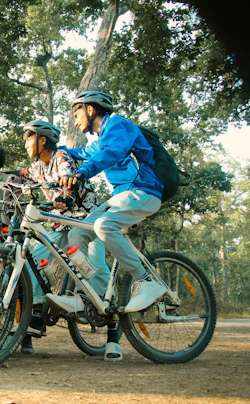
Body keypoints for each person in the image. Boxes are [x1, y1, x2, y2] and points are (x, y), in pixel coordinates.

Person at [58, 90, 167, 359]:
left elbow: (110, 153)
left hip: (144, 191)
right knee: (78, 233)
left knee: (104, 227)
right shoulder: (101, 138)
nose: (75, 120)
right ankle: (89, 294)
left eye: (76, 113)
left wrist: (82, 172)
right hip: (122, 196)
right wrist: (60, 151)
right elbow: (84, 152)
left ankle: (145, 280)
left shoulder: (118, 125)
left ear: (90, 109)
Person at [17, 120, 110, 355]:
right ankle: (37, 312)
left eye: (29, 139)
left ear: (42, 140)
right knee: (32, 262)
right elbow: (21, 175)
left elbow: (66, 177)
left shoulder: (61, 157)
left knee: (94, 268)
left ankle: (112, 325)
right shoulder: (37, 166)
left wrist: (65, 195)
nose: (26, 144)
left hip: (85, 221)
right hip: (60, 225)